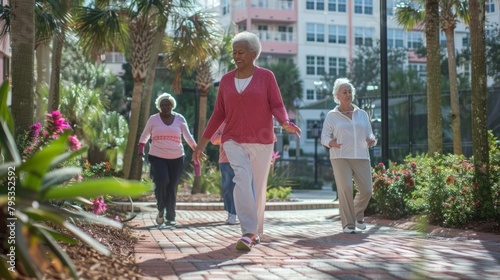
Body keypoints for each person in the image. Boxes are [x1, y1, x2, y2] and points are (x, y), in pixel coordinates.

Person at [193, 31, 301, 251]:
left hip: (261, 139)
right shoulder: (225, 80)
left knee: (258, 186)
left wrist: (286, 122)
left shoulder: (266, 77)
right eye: (234, 52)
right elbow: (218, 114)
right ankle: (248, 232)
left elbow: (277, 105)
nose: (236, 56)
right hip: (232, 138)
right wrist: (201, 143)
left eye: (240, 52)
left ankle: (256, 232)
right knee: (241, 178)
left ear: (253, 54)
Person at [320, 78, 377, 234]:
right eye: (344, 92)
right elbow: (324, 136)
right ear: (337, 95)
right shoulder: (332, 115)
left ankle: (357, 214)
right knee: (345, 188)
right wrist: (331, 143)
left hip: (361, 155)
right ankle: (348, 223)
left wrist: (372, 139)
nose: (348, 94)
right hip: (340, 156)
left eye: (350, 91)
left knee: (367, 190)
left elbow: (370, 133)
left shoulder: (362, 114)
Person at [137, 93, 198, 226]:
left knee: (172, 186)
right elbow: (145, 135)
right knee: (162, 180)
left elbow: (188, 137)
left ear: (172, 105)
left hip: (176, 157)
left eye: (168, 104)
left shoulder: (179, 119)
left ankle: (170, 216)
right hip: (157, 155)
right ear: (159, 106)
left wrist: (197, 149)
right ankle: (161, 207)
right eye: (162, 105)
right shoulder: (153, 119)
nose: (165, 107)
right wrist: (140, 150)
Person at [210, 122, 238, 225]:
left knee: (238, 188)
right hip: (225, 160)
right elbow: (213, 139)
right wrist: (229, 137)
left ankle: (234, 213)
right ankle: (231, 212)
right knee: (227, 188)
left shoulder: (241, 120)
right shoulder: (221, 124)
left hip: (241, 160)